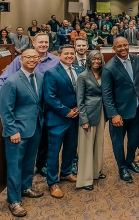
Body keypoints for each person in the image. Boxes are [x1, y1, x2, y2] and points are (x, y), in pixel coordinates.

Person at [0, 33, 59, 177]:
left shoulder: (55, 60)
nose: (43, 45)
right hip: (25, 108)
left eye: (46, 42)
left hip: (47, 108)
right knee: (23, 147)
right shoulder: (20, 59)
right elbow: (4, 79)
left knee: (44, 139)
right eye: (40, 42)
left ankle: (41, 164)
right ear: (33, 43)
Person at [0, 49, 44, 217]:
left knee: (28, 162)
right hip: (17, 131)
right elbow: (6, 110)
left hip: (34, 128)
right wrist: (12, 131)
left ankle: (26, 187)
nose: (32, 60)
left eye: (35, 57)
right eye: (28, 57)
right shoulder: (11, 81)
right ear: (21, 60)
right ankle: (13, 201)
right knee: (14, 166)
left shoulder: (39, 77)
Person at [102, 37, 139, 183]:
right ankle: (122, 167)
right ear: (114, 49)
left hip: (137, 110)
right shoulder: (109, 67)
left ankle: (130, 161)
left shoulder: (136, 60)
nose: (123, 48)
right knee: (118, 142)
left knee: (134, 140)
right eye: (119, 46)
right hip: (119, 113)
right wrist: (113, 114)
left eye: (125, 45)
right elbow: (107, 94)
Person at [44, 45, 83, 198]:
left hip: (75, 117)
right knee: (53, 152)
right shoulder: (51, 73)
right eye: (66, 53)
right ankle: (53, 183)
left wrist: (78, 109)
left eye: (71, 53)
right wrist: (66, 111)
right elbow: (50, 97)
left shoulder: (80, 70)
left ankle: (66, 172)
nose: (69, 56)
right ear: (59, 55)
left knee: (71, 148)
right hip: (58, 118)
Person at [75, 50, 107, 191]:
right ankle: (85, 180)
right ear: (89, 60)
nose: (96, 62)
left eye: (99, 59)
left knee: (98, 143)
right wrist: (84, 119)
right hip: (88, 113)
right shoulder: (82, 76)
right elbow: (79, 100)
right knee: (86, 147)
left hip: (101, 113)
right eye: (93, 59)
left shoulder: (104, 74)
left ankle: (95, 172)